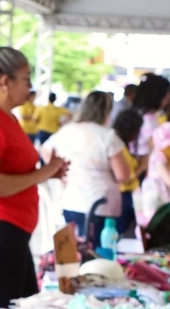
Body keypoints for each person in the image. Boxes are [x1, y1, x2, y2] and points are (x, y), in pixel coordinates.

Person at [0, 37, 68, 309]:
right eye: (26, 79)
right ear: (5, 82)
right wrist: (43, 173)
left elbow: (14, 172)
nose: (30, 87)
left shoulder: (6, 117)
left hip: (11, 233)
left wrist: (46, 171)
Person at [40, 90, 130, 243]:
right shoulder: (108, 136)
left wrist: (61, 172)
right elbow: (123, 175)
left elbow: (45, 150)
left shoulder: (67, 131)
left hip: (71, 201)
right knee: (98, 255)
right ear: (107, 111)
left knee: (77, 252)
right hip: (101, 204)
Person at [132, 73, 170, 174]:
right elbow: (153, 149)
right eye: (166, 96)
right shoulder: (149, 119)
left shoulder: (136, 112)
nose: (168, 100)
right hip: (145, 171)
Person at [113, 109, 143, 235]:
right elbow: (126, 176)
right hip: (121, 196)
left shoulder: (120, 144)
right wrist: (143, 165)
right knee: (119, 233)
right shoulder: (117, 146)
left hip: (125, 195)